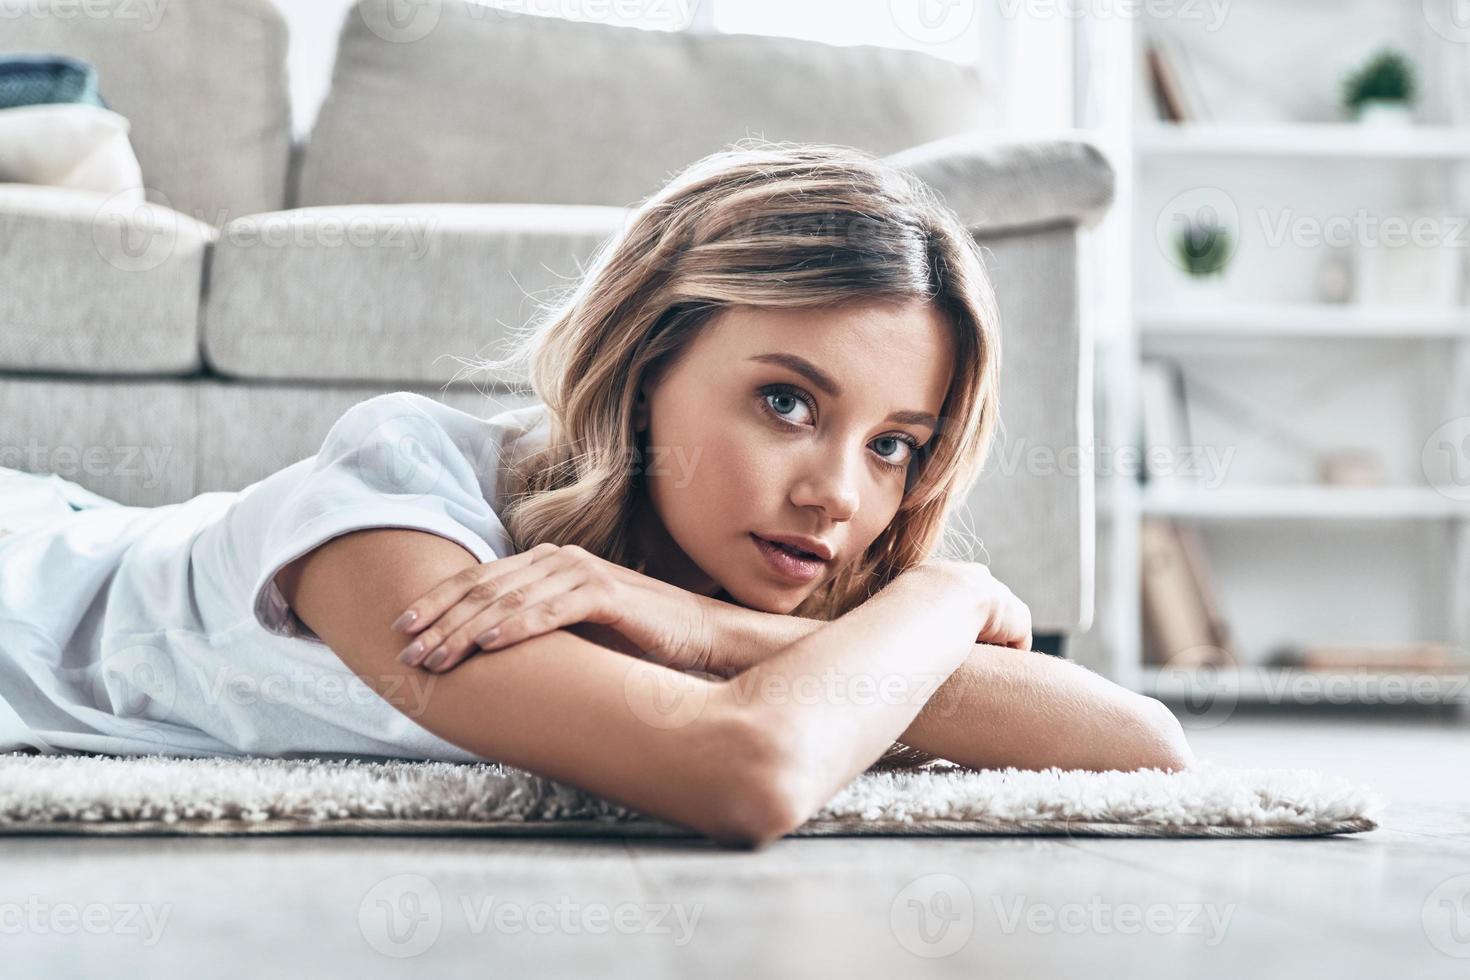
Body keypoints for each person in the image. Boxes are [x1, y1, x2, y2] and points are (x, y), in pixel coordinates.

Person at [0, 139, 1192, 846]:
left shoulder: (736, 576)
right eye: (787, 400)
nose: (838, 493)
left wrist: (723, 628)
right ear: (649, 358)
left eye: (896, 445)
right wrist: (954, 592)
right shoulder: (397, 501)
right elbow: (750, 773)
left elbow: (1140, 746)